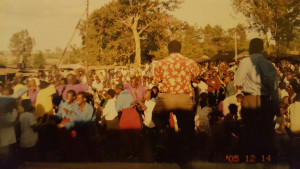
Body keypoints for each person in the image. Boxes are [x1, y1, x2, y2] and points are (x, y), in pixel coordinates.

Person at [234, 38, 278, 157]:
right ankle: (262, 157)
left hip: (250, 99)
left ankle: (248, 157)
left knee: (249, 129)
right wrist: (274, 104)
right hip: (265, 100)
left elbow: (238, 81)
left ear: (250, 48)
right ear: (262, 49)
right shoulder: (269, 64)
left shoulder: (246, 61)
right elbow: (274, 89)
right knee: (263, 130)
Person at [153, 40, 200, 139]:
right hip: (184, 98)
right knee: (187, 124)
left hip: (167, 99)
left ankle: (163, 133)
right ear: (180, 49)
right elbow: (196, 74)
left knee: (156, 115)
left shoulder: (162, 62)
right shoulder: (189, 61)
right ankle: (188, 146)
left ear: (168, 49)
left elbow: (157, 79)